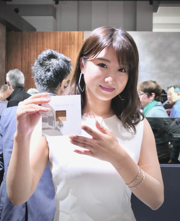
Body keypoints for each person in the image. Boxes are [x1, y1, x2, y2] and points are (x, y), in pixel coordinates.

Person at [7, 27, 164, 221]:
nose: (110, 78)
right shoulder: (58, 114)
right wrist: (21, 137)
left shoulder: (137, 125)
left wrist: (118, 158)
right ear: (83, 64)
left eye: (122, 69)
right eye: (102, 65)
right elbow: (18, 196)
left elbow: (156, 199)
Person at [0, 50, 71, 221]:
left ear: (36, 81)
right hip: (47, 206)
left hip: (10, 205)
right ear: (63, 84)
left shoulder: (8, 114)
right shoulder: (62, 115)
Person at [137, 80, 180, 164]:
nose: (138, 97)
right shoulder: (150, 110)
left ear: (152, 96)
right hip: (155, 157)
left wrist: (173, 159)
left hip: (161, 159)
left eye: (140, 94)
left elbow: (177, 133)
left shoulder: (155, 111)